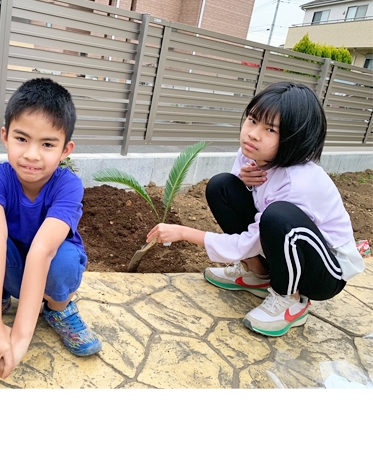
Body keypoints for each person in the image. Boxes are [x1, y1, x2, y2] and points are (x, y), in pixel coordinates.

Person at [146, 82, 364, 337]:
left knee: (279, 216)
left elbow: (254, 238)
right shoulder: (251, 154)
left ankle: (290, 299)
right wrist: (244, 180)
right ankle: (257, 274)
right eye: (252, 120)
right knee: (222, 186)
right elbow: (244, 202)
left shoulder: (298, 182)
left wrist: (185, 233)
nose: (253, 134)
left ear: (296, 137)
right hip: (284, 245)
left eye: (270, 129)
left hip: (325, 273)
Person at [0, 78, 101, 378]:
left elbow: (42, 251)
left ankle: (58, 310)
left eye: (47, 144)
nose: (32, 155)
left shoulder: (68, 186)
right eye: (22, 139)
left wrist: (20, 338)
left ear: (65, 149)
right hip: (9, 264)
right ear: (5, 136)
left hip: (48, 268)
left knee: (65, 261)